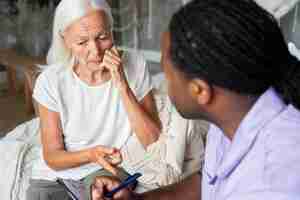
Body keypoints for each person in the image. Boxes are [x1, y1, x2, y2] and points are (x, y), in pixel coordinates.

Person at [92, 0, 300, 199]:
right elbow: (208, 184)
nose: (164, 84)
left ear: (200, 91)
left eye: (167, 75)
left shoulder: (274, 183)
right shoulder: (233, 116)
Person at [27, 0, 162, 199]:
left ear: (111, 30)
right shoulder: (50, 81)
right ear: (65, 39)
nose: (96, 51)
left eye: (103, 37)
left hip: (105, 170)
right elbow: (53, 156)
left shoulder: (135, 65)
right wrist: (91, 154)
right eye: (82, 42)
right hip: (54, 175)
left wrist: (122, 84)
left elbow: (151, 139)